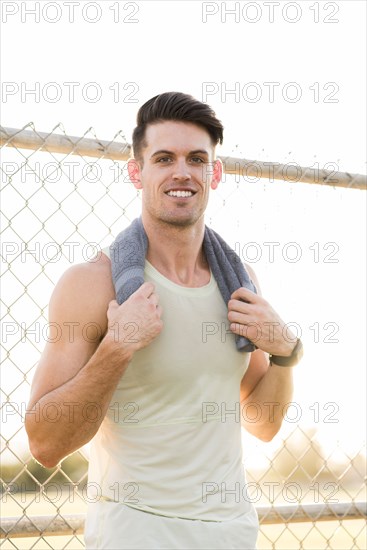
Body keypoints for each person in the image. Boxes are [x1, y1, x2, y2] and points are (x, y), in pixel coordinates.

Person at [25, 92, 303, 549]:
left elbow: (262, 422)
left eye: (197, 158)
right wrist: (118, 347)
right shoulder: (94, 285)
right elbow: (45, 444)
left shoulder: (240, 284)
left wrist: (286, 355)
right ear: (137, 173)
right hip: (137, 532)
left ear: (214, 173)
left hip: (231, 532)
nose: (182, 172)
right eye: (164, 158)